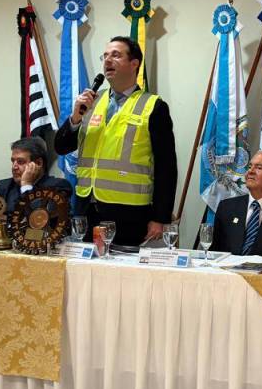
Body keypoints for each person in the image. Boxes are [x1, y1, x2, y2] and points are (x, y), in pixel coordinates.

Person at [54, 36, 178, 246]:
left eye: (116, 55)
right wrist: (75, 117)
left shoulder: (153, 106)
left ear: (134, 64)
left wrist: (160, 217)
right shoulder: (92, 101)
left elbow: (166, 167)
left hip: (129, 213)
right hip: (87, 209)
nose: (108, 60)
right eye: (105, 56)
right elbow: (61, 147)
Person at [0, 137, 70, 220]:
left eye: (20, 161)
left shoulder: (58, 187)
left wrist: (26, 185)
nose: (14, 167)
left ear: (38, 163)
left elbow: (40, 220)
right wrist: (9, 222)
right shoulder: (4, 186)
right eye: (13, 161)